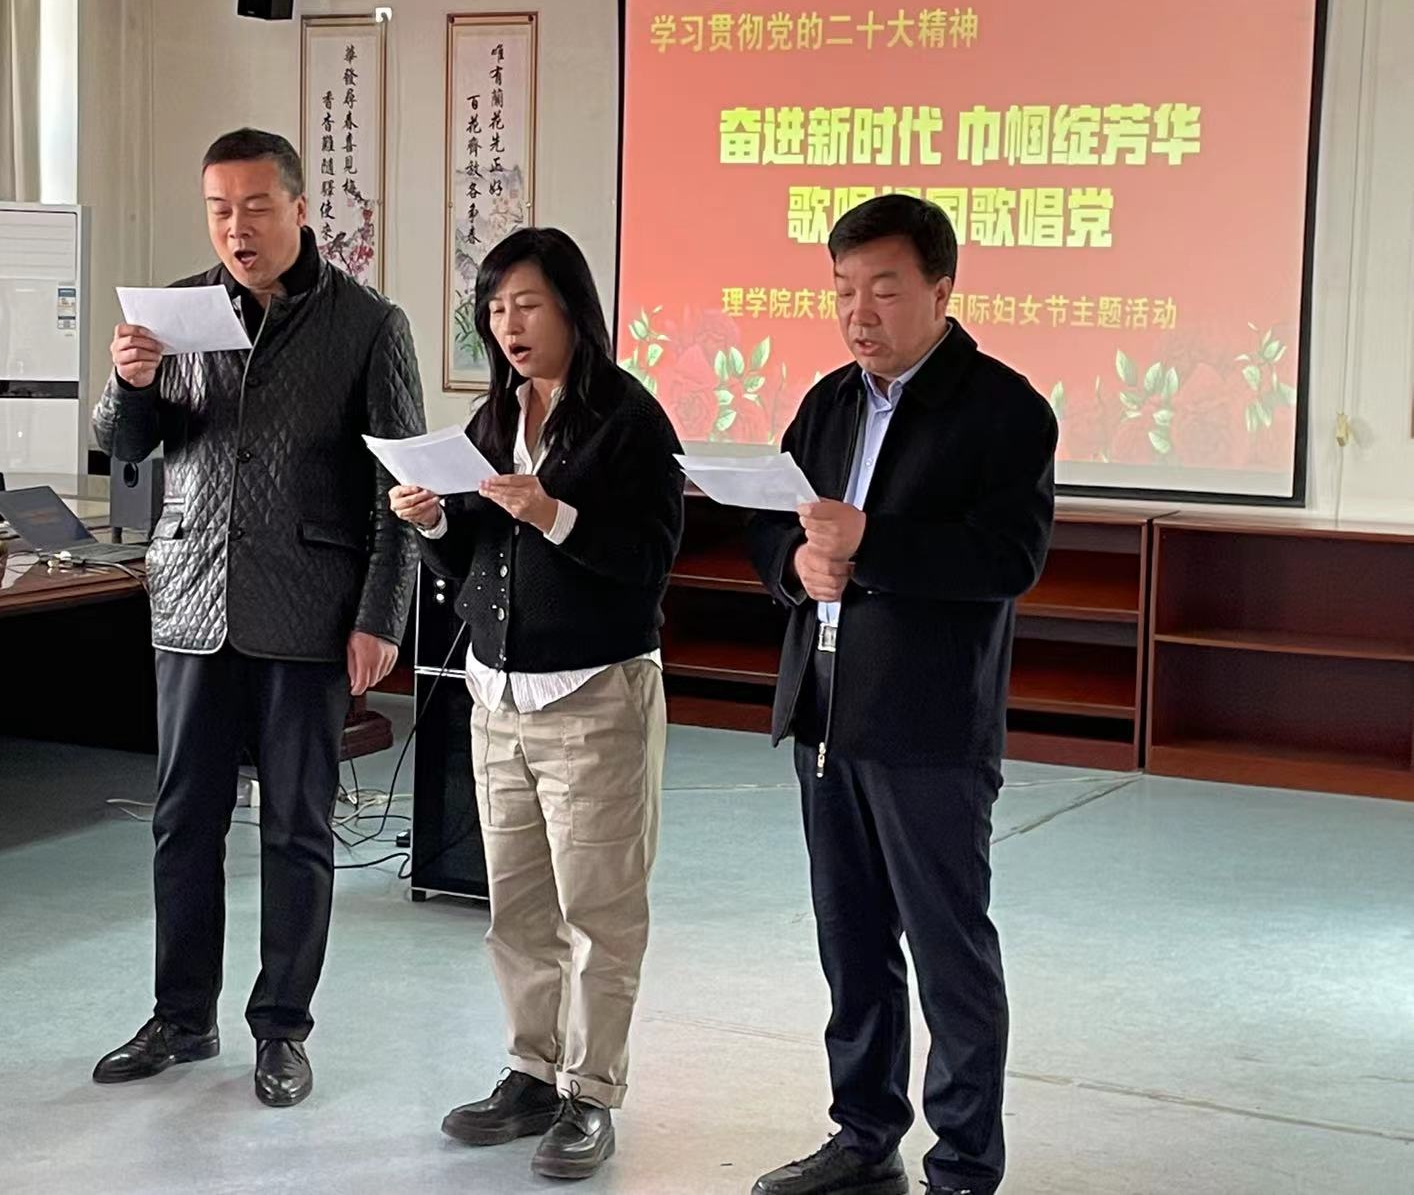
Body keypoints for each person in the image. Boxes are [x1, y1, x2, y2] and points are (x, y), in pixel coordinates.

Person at [90, 127, 424, 1107]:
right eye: (219, 210)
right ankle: (180, 1016)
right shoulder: (176, 314)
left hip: (307, 608)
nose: (236, 228)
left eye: (255, 207)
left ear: (300, 209)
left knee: (297, 828)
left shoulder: (368, 324)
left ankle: (281, 1028)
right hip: (191, 599)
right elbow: (126, 446)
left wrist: (382, 616)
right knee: (182, 821)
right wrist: (128, 381)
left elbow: (397, 487)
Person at [746, 195, 1057, 1195]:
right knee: (851, 942)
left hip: (928, 725)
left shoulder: (1003, 410)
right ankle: (862, 1132)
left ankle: (962, 1163)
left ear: (941, 288)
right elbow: (773, 525)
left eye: (882, 287)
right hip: (826, 709)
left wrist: (872, 543)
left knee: (947, 949)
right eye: (842, 289)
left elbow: (1008, 557)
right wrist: (796, 566)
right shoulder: (829, 402)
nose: (858, 311)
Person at [389, 227, 683, 1181]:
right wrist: (433, 522)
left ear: (572, 310)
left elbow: (650, 561)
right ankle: (530, 1073)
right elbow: (476, 554)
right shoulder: (491, 419)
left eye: (527, 305)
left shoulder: (630, 421)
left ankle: (590, 1094)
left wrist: (553, 514)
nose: (508, 326)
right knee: (516, 907)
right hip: (498, 695)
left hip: (594, 694)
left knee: (601, 913)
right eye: (495, 309)